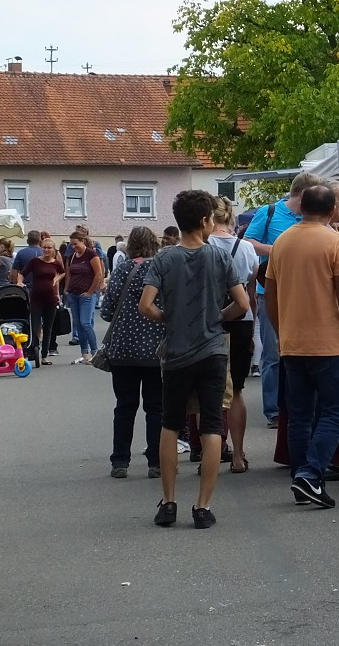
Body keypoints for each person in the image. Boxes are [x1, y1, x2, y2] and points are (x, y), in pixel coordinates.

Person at [139, 190, 248, 529]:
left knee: (171, 424)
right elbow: (242, 305)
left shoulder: (163, 259)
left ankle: (169, 502)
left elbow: (145, 306)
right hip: (213, 351)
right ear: (204, 221)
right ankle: (202, 507)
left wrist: (168, 319)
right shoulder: (219, 258)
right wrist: (216, 318)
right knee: (212, 425)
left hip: (176, 354)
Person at [265, 185, 339, 508]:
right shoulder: (336, 242)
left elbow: (270, 293)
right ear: (329, 210)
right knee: (337, 409)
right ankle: (310, 474)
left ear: (302, 207)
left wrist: (282, 330)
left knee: (299, 415)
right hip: (328, 344)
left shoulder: (281, 243)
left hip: (292, 343)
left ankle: (301, 477)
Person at [245, 171, 321, 428]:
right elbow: (248, 242)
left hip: (304, 294)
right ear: (301, 195)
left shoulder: (311, 217)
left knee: (302, 351)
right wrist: (278, 250)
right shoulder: (269, 212)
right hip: (272, 292)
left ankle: (297, 406)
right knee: (273, 353)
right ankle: (274, 411)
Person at [100, 226, 164, 479]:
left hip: (123, 350)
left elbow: (106, 311)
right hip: (156, 350)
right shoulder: (161, 269)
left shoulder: (122, 270)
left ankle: (120, 461)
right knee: (156, 408)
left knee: (125, 406)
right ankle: (156, 462)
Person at [204, 197, 257, 474]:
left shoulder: (202, 245)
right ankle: (238, 455)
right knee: (236, 389)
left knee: (208, 390)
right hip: (241, 319)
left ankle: (211, 453)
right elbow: (251, 292)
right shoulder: (247, 248)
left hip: (208, 321)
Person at [20, 238, 65, 365]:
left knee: (48, 327)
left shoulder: (56, 263)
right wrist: (19, 282)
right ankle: (33, 351)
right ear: (41, 247)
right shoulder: (35, 261)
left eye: (49, 248)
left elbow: (63, 273)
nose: (46, 250)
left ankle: (44, 355)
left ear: (53, 249)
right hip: (36, 298)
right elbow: (22, 273)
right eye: (44, 247)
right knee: (35, 327)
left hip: (50, 299)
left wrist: (57, 279)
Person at [65, 229, 104, 364]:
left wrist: (90, 291)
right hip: (73, 293)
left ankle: (95, 352)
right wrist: (66, 289)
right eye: (71, 245)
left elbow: (98, 273)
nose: (73, 247)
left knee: (85, 323)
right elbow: (69, 273)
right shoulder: (72, 256)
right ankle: (84, 352)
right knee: (78, 324)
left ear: (82, 241)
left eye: (75, 244)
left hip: (87, 294)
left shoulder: (91, 254)